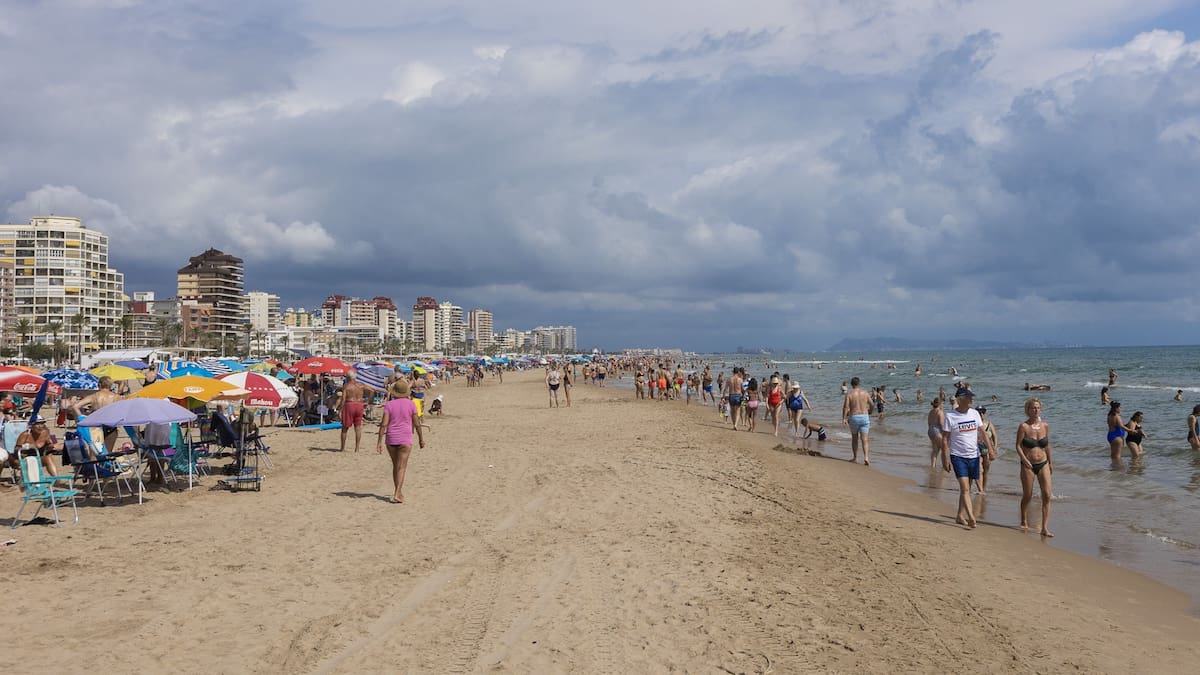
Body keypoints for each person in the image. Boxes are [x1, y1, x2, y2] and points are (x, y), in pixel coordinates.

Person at [941, 388, 989, 529]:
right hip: (958, 456)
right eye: (969, 398)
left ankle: (959, 516)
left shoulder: (974, 413)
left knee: (967, 488)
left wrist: (991, 450)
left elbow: (983, 433)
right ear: (961, 399)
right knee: (965, 489)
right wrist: (945, 458)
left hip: (974, 455)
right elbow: (944, 439)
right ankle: (971, 517)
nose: (972, 401)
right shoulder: (950, 416)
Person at [376, 379, 424, 504]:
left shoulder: (389, 405)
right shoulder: (411, 404)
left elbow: (384, 424)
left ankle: (398, 491)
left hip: (391, 438)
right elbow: (417, 424)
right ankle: (397, 493)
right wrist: (421, 439)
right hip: (405, 438)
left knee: (395, 466)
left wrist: (379, 441)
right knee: (402, 467)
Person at [1015, 397, 1053, 536]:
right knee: (1028, 495)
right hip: (1028, 465)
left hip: (1043, 463)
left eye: (1037, 407)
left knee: (1047, 495)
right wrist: (1024, 460)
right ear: (1028, 410)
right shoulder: (1023, 426)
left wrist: (1050, 462)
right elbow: (1018, 446)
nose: (1036, 410)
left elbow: (1047, 445)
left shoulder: (1045, 425)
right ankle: (1024, 519)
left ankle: (1044, 528)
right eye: (1033, 408)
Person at [71, 376, 121, 453]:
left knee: (95, 453)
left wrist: (81, 418)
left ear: (99, 385)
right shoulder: (116, 397)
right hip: (111, 426)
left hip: (96, 426)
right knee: (107, 454)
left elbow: (75, 406)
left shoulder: (94, 396)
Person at [841, 376, 872, 465]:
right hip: (864, 417)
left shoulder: (849, 394)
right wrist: (870, 411)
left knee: (855, 439)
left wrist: (844, 418)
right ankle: (866, 457)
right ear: (859, 383)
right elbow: (872, 404)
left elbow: (846, 407)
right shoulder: (865, 393)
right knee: (865, 439)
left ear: (851, 384)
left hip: (854, 417)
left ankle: (855, 458)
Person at [336, 371, 367, 452]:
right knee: (358, 427)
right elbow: (372, 391)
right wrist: (368, 402)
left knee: (345, 428)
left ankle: (342, 448)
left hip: (350, 404)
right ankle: (357, 448)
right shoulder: (361, 385)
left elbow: (343, 399)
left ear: (348, 377)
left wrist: (340, 409)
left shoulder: (346, 386)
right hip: (359, 404)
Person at [975, 407, 998, 494]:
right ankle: (980, 489)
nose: (981, 414)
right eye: (979, 412)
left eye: (982, 412)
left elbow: (995, 437)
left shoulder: (989, 424)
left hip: (987, 450)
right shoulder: (974, 424)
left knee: (986, 471)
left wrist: (994, 448)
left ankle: (983, 489)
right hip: (977, 450)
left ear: (985, 413)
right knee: (979, 469)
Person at [926, 399, 945, 469]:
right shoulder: (940, 412)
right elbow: (942, 424)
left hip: (930, 430)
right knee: (944, 449)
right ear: (940, 404)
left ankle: (933, 466)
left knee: (935, 449)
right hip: (937, 431)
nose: (943, 405)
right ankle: (944, 466)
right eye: (942, 404)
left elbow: (929, 423)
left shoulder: (930, 412)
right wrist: (945, 434)